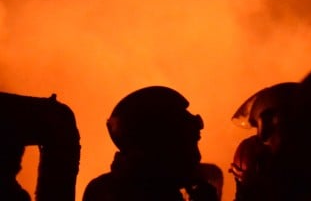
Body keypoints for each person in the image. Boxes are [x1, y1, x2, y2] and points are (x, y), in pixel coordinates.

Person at [83, 86, 221, 201]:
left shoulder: (103, 189)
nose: (197, 156)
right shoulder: (158, 195)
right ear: (158, 147)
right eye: (188, 145)